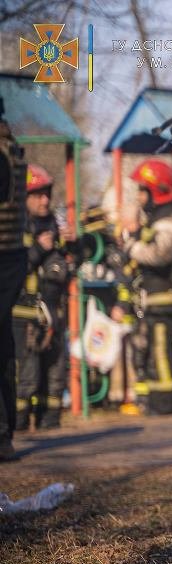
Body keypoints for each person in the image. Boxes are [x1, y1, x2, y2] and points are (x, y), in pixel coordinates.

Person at [117, 159, 172, 416]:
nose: (139, 197)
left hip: (163, 297)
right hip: (150, 299)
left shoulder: (169, 221)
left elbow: (160, 255)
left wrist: (131, 247)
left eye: (143, 190)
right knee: (149, 352)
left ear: (156, 190)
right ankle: (155, 402)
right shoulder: (156, 220)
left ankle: (165, 403)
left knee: (161, 351)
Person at [12, 164, 71, 430]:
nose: (45, 200)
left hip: (53, 315)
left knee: (55, 376)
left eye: (47, 193)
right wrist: (37, 249)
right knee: (26, 377)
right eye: (37, 194)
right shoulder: (14, 230)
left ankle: (50, 423)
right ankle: (19, 426)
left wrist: (74, 246)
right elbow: (12, 269)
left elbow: (66, 268)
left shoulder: (54, 227)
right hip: (23, 316)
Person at [0, 100, 27, 460]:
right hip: (11, 256)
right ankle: (5, 434)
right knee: (4, 346)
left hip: (2, 257)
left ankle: (3, 433)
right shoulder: (11, 147)